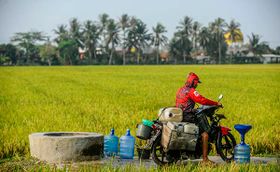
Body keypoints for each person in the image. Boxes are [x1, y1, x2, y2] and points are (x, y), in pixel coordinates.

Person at [175, 72, 222, 164]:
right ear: (193, 82)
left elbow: (181, 103)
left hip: (181, 115)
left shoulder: (181, 89)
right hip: (188, 117)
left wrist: (192, 109)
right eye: (196, 82)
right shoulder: (191, 91)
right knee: (205, 134)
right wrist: (216, 103)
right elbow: (202, 100)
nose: (197, 84)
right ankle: (205, 159)